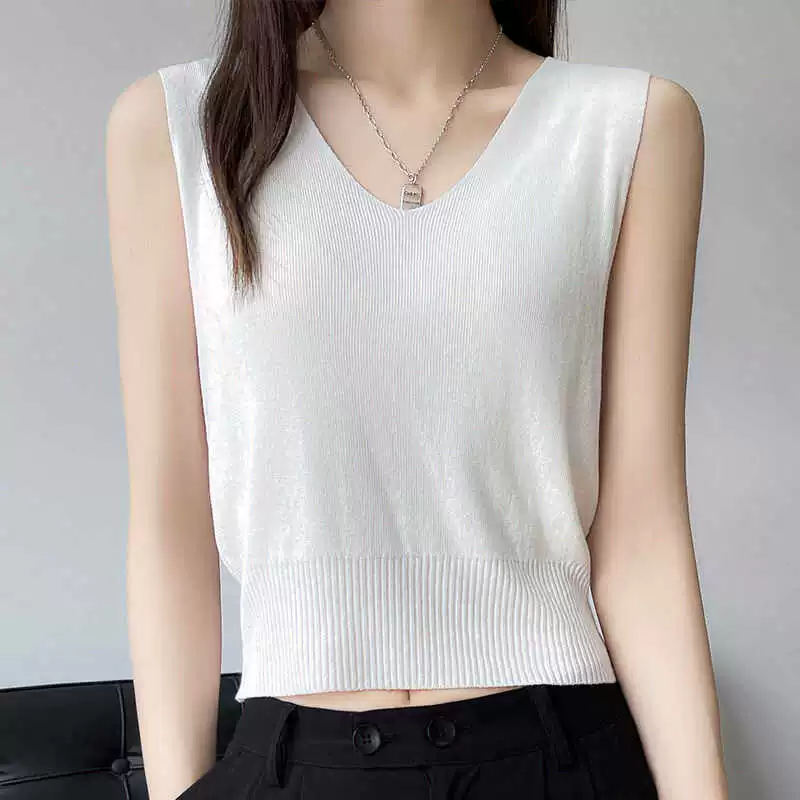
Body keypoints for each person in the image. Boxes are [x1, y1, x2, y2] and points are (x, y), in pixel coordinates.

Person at [105, 0, 728, 798]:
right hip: (293, 760)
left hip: (557, 755)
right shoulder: (175, 127)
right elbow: (171, 521)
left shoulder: (627, 126)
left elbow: (642, 530)